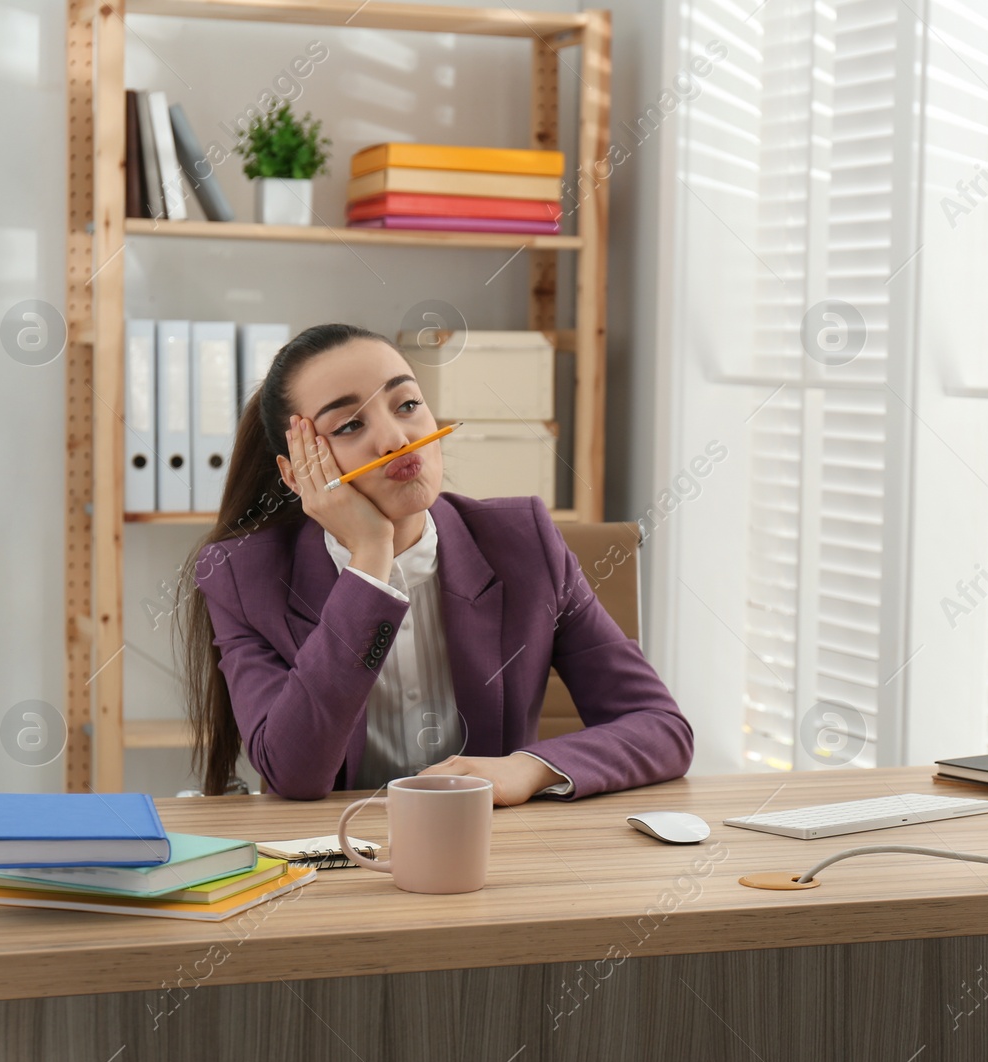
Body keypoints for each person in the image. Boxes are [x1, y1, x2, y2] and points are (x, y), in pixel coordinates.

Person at [175, 323, 693, 803]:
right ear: (296, 474)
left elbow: (660, 726)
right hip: (336, 867)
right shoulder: (241, 577)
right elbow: (295, 774)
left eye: (406, 405)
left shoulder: (525, 542)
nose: (396, 440)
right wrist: (370, 560)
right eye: (351, 424)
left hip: (489, 855)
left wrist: (530, 767)